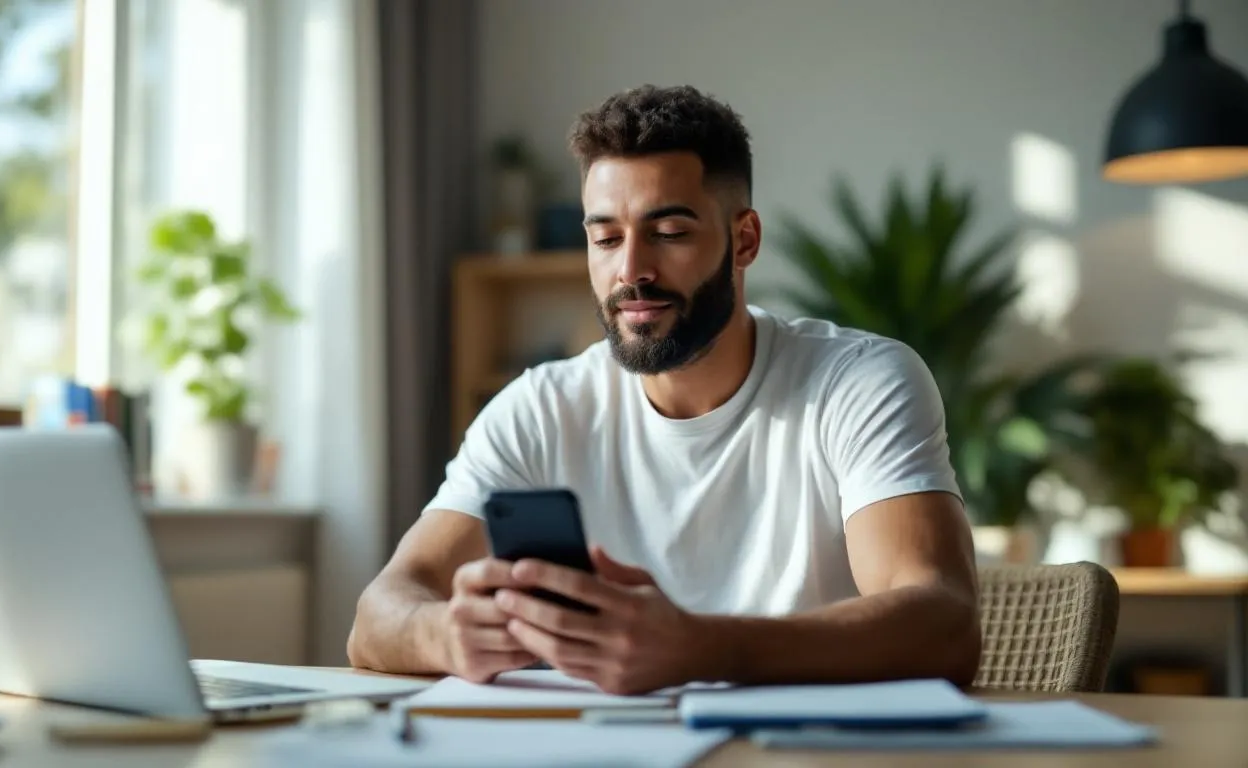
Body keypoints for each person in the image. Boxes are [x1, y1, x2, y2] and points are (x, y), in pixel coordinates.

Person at [349, 84, 981, 695]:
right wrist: (446, 635)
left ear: (744, 240)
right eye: (605, 238)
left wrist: (696, 647)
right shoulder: (540, 407)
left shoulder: (859, 383)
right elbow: (378, 616)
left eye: (669, 233)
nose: (631, 271)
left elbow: (943, 624)